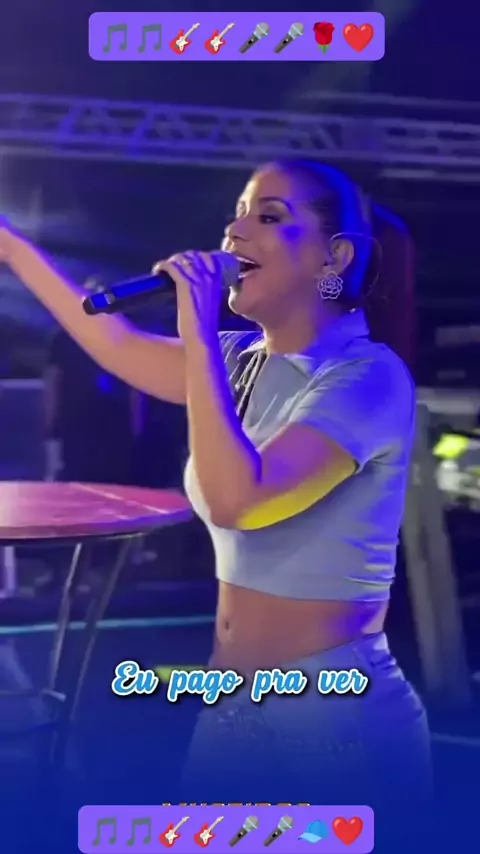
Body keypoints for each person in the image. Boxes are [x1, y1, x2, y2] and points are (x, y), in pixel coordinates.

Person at [0, 160, 430, 821]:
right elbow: (111, 339)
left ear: (334, 256)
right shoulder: (238, 363)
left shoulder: (367, 378)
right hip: (230, 706)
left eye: (269, 216)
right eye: (237, 212)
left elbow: (240, 501)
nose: (234, 231)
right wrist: (11, 247)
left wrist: (197, 330)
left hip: (333, 724)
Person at [42, 277, 140, 484]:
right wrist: (51, 416)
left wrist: (136, 417)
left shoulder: (122, 333)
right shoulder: (64, 336)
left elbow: (136, 380)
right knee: (77, 470)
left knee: (114, 473)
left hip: (112, 417)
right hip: (76, 417)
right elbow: (53, 378)